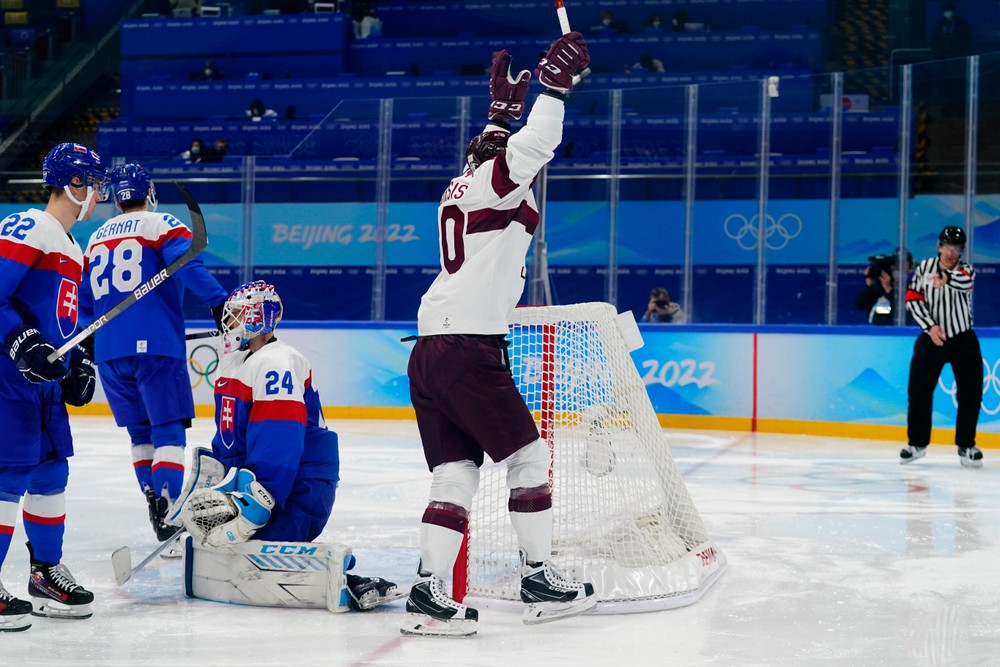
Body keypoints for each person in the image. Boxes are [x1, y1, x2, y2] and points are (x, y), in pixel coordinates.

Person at [402, 34, 595, 638]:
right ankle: (539, 578)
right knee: (529, 457)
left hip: (432, 345)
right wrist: (554, 90)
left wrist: (498, 116)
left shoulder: (460, 186)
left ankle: (430, 595)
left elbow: (500, 150)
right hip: (467, 346)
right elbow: (536, 143)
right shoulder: (496, 180)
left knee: (455, 472)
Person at [177, 280, 403, 611]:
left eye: (238, 315)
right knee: (218, 549)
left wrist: (256, 501)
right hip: (267, 484)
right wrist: (222, 482)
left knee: (245, 556)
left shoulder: (276, 362)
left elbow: (278, 437)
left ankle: (349, 580)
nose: (229, 323)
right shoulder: (240, 363)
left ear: (259, 318)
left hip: (296, 489)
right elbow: (234, 437)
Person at [78, 163, 229, 542]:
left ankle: (153, 501)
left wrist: (87, 336)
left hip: (109, 350)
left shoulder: (95, 238)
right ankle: (169, 510)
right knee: (167, 430)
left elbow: (82, 299)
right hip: (156, 344)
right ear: (149, 193)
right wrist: (219, 302)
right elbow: (187, 264)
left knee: (139, 434)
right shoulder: (161, 223)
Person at [0, 143, 107, 630]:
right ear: (74, 184)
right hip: (8, 378)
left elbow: (66, 322)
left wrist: (80, 361)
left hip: (42, 388)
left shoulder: (71, 245)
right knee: (8, 478)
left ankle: (44, 575)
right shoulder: (32, 226)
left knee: (50, 476)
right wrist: (20, 341)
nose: (99, 195)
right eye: (95, 185)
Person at [899, 226, 983, 467]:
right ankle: (917, 443)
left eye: (956, 248)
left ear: (961, 251)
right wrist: (931, 327)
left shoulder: (966, 271)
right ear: (939, 246)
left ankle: (966, 445)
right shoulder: (924, 268)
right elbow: (912, 300)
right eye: (947, 246)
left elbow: (964, 284)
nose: (951, 252)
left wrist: (945, 278)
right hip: (932, 337)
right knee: (918, 391)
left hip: (963, 338)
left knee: (971, 392)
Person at [855, 249, 914, 325]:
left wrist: (889, 289)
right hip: (873, 332)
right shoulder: (878, 286)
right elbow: (860, 305)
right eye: (897, 263)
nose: (899, 267)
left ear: (909, 267)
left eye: (903, 264)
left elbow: (904, 311)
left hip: (897, 332)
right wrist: (868, 285)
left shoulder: (911, 287)